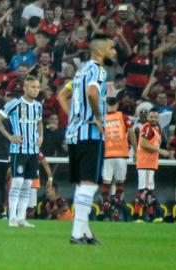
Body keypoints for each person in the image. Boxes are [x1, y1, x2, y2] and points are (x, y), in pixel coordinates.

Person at [59, 34, 117, 245]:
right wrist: (98, 117)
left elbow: (61, 96)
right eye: (112, 48)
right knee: (90, 184)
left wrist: (75, 119)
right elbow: (92, 93)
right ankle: (76, 233)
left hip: (75, 134)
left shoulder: (80, 72)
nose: (114, 52)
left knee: (83, 184)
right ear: (101, 51)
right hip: (90, 134)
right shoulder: (98, 70)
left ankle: (85, 232)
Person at [0, 75, 43, 228]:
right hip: (19, 150)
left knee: (28, 184)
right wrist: (10, 136)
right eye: (33, 87)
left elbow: (39, 123)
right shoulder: (14, 104)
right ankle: (12, 218)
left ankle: (21, 218)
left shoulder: (38, 106)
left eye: (37, 87)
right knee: (18, 182)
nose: (36, 90)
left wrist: (41, 136)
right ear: (25, 88)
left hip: (33, 151)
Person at [101, 97, 137, 219]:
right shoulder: (123, 117)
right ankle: (116, 205)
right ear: (117, 105)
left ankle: (106, 205)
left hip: (107, 154)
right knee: (120, 182)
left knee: (106, 182)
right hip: (121, 154)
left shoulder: (102, 117)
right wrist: (136, 152)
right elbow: (131, 134)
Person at [134, 108, 169, 223]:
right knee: (144, 190)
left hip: (150, 163)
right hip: (145, 163)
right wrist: (160, 150)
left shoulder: (155, 128)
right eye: (151, 117)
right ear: (148, 117)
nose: (153, 119)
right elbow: (144, 144)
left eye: (155, 117)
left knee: (149, 191)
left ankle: (151, 216)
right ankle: (136, 215)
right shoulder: (147, 127)